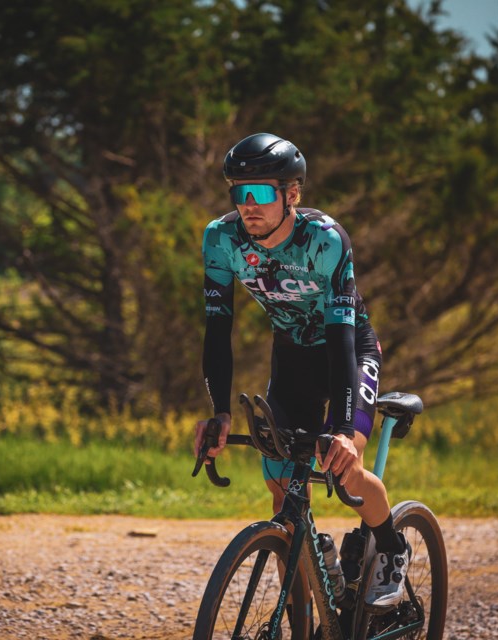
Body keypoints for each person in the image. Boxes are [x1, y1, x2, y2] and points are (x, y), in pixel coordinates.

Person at [193, 132, 408, 608]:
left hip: (348, 351)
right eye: (239, 193)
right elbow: (217, 331)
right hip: (291, 355)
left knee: (345, 467)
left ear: (292, 194)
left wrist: (343, 429)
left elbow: (340, 337)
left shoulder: (325, 241)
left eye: (263, 192)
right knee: (281, 487)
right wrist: (219, 413)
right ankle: (313, 565)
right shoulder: (221, 240)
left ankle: (393, 548)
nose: (249, 205)